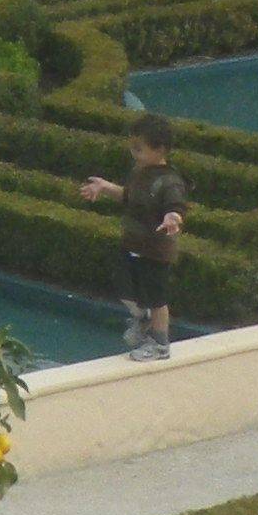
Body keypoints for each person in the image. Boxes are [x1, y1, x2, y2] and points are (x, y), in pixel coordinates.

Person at [76, 112, 187, 362]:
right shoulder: (140, 171)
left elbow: (176, 206)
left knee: (157, 299)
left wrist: (171, 219)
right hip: (132, 244)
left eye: (139, 149)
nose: (133, 154)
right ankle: (142, 318)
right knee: (125, 288)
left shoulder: (169, 181)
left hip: (155, 250)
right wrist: (104, 187)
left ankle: (160, 344)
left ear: (160, 150)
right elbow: (128, 196)